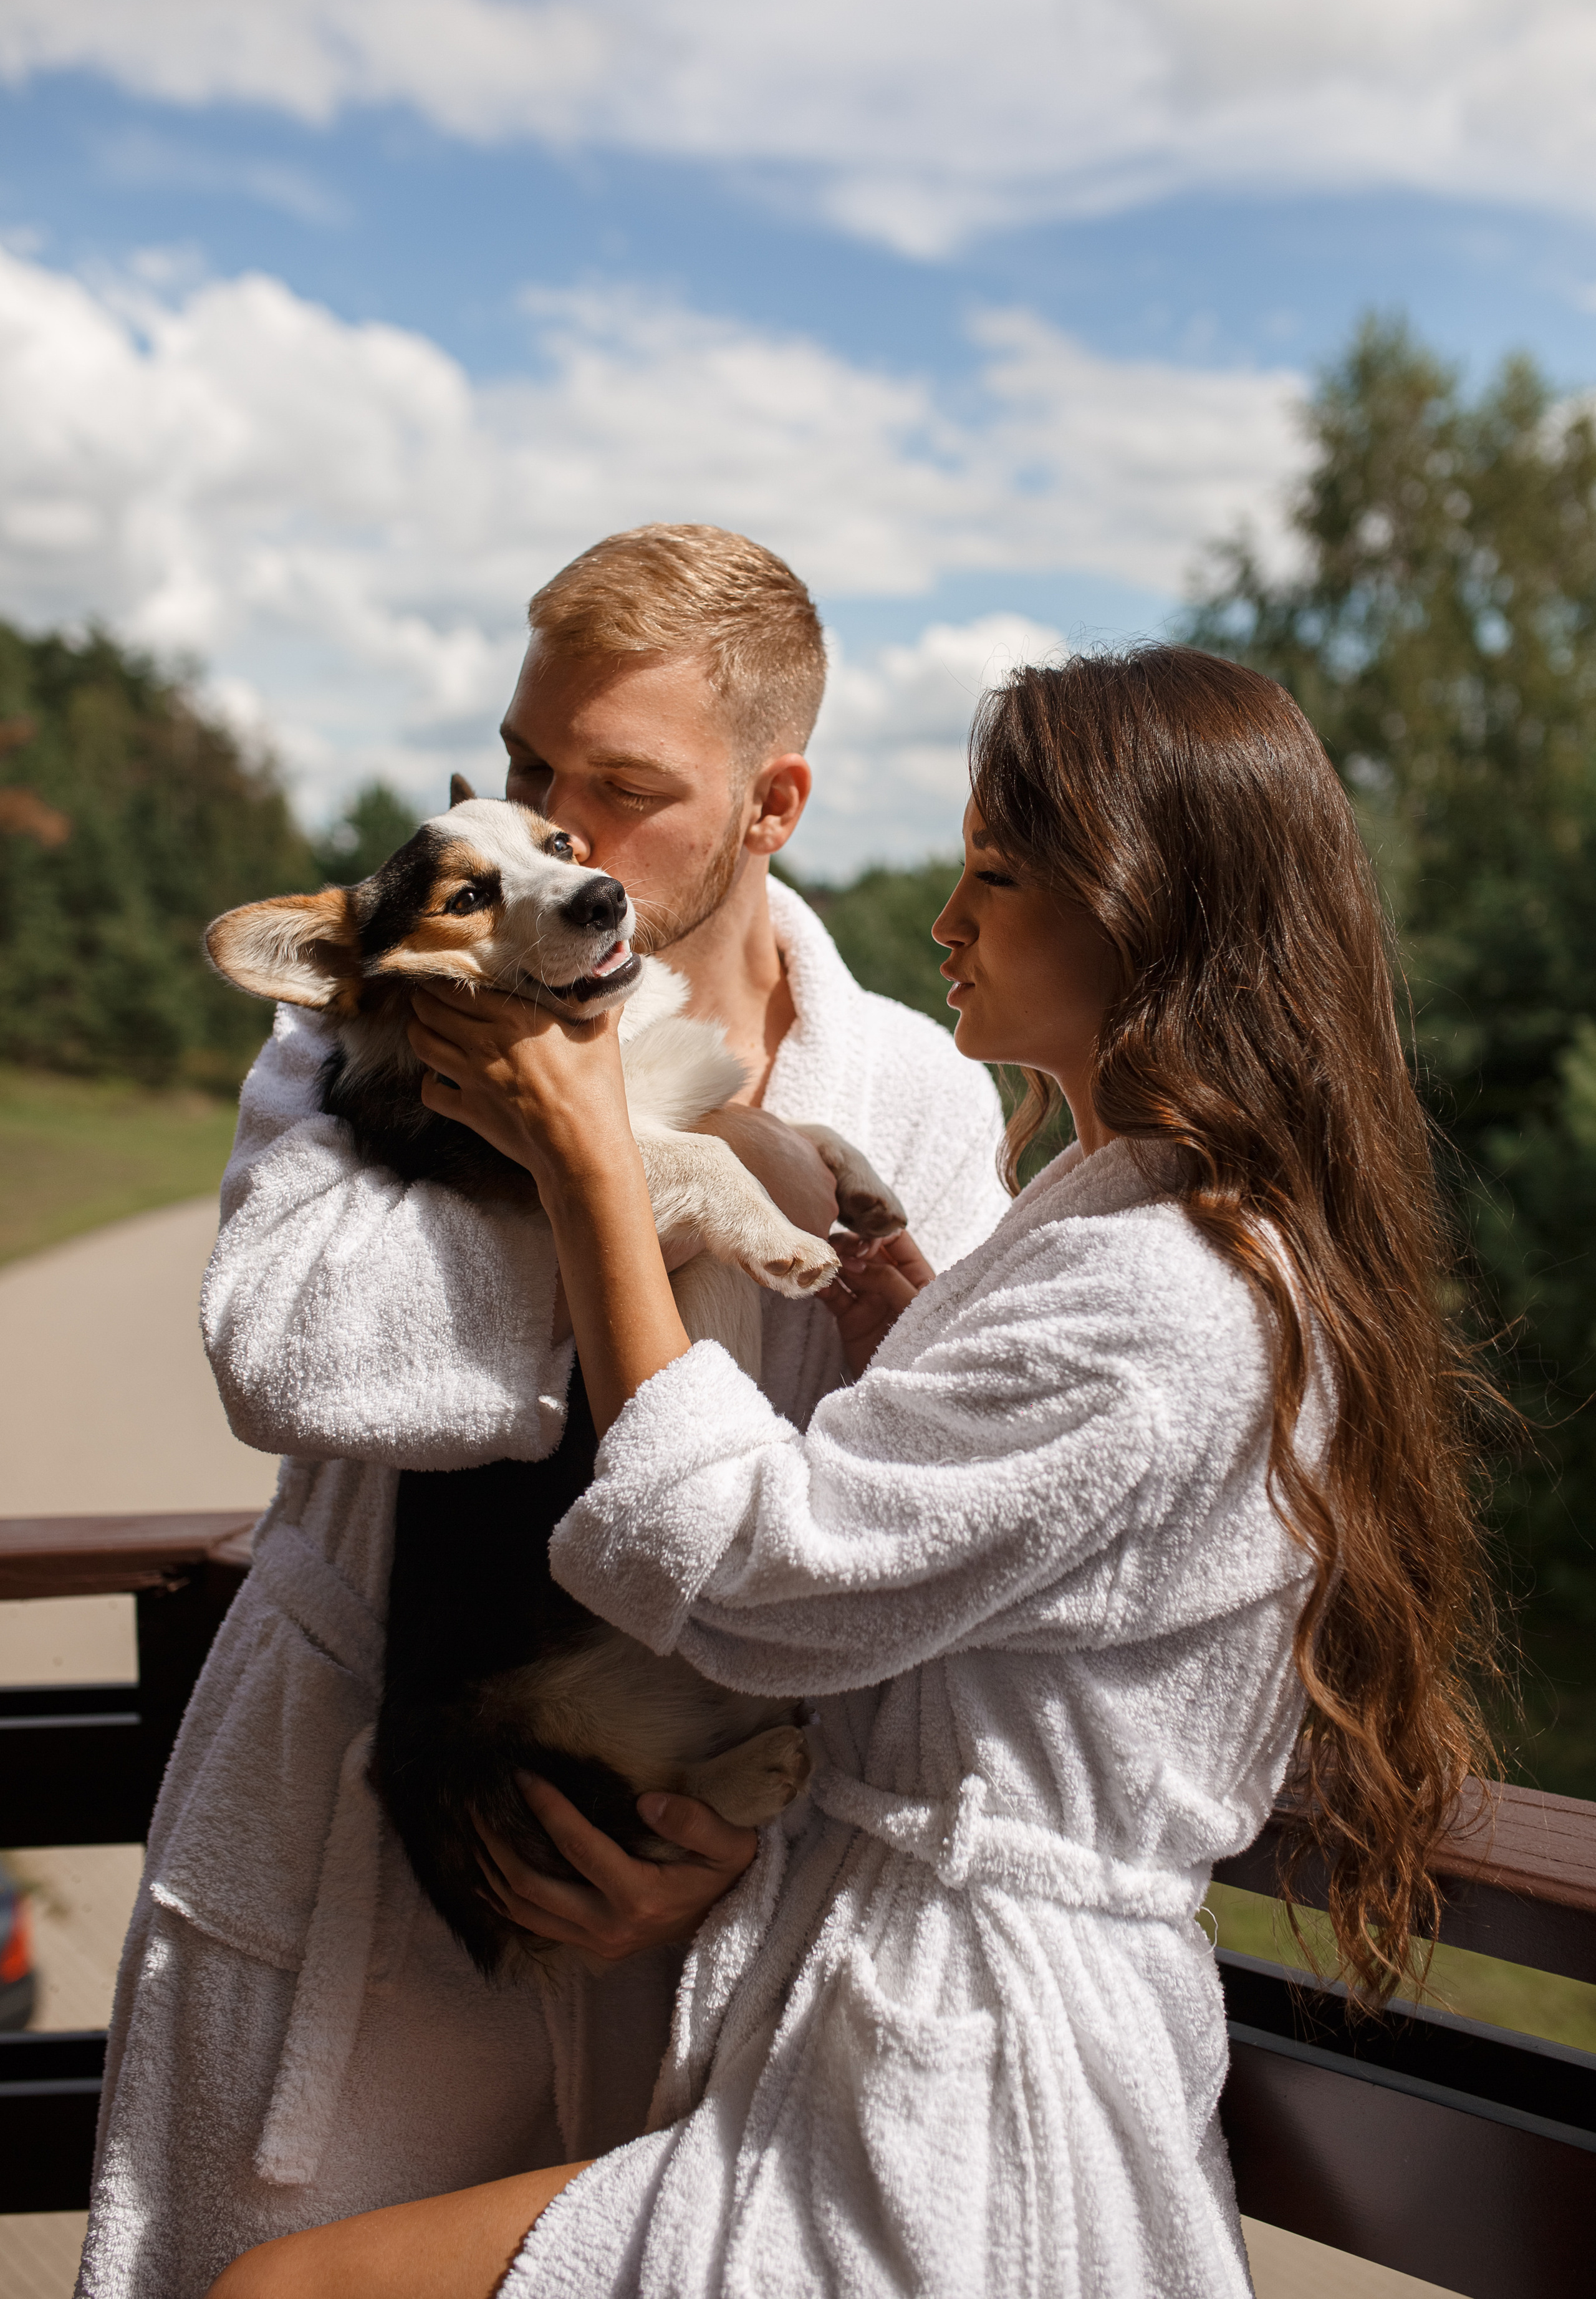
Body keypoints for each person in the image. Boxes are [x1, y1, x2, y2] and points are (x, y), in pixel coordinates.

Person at [213, 644, 1499, 2299]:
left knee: (280, 2291)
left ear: (1140, 913)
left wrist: (593, 1161)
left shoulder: (1159, 1289)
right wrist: (920, 1342)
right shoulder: (1149, 1231)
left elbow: (746, 1573)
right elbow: (1021, 1531)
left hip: (961, 2089)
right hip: (923, 2034)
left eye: (995, 874)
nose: (945, 920)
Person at [77, 526, 1009, 2299]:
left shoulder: (909, 1092)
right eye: (527, 768)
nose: (559, 831)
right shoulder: (390, 1007)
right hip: (361, 1854)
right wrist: (603, 1160)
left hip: (723, 1874)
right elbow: (282, 1348)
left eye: (624, 788)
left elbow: (929, 1538)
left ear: (774, 801)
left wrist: (740, 1844)